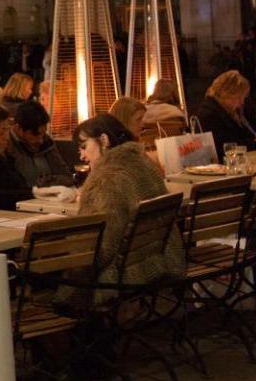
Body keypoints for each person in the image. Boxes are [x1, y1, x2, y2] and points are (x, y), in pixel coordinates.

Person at [56, 113, 184, 309]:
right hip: (157, 262)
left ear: (104, 140)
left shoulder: (106, 179)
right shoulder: (143, 164)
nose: (81, 155)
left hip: (123, 276)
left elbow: (99, 249)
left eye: (84, 146)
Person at [195, 70, 256, 159]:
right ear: (225, 94)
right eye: (238, 98)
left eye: (243, 97)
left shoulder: (238, 109)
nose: (242, 102)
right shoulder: (209, 114)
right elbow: (226, 147)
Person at [10, 100, 72, 187]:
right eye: (36, 134)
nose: (41, 140)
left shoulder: (46, 142)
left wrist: (56, 180)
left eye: (43, 133)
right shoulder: (6, 146)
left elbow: (66, 175)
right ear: (19, 129)